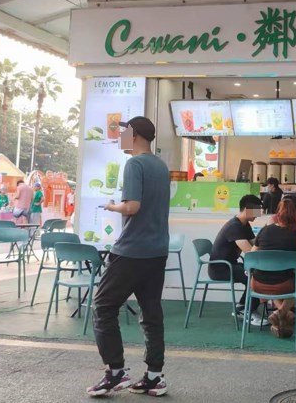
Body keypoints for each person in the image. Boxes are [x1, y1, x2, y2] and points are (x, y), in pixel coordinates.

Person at [88, 117, 170, 398]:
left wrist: (112, 206)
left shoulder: (135, 164)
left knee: (103, 306)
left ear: (134, 135)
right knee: (151, 313)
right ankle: (154, 377)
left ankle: (115, 372)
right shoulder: (160, 166)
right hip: (157, 251)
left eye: (123, 132)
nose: (120, 136)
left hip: (132, 250)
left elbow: (133, 206)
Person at [251, 197, 296, 339]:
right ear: (294, 217)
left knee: (277, 280)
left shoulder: (264, 231)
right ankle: (282, 312)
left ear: (277, 214)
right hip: (285, 285)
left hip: (258, 284)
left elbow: (251, 255)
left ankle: (279, 315)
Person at [208, 194, 268, 326]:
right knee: (257, 278)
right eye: (256, 211)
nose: (258, 215)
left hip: (231, 265)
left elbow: (255, 244)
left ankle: (242, 307)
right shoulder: (234, 226)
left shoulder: (244, 225)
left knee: (255, 275)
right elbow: (250, 253)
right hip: (220, 269)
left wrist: (267, 239)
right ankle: (248, 312)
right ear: (247, 209)